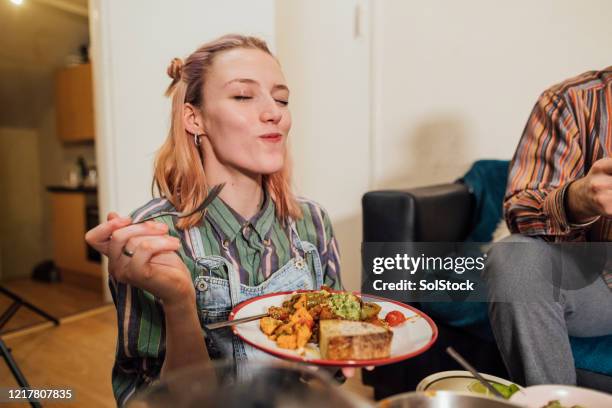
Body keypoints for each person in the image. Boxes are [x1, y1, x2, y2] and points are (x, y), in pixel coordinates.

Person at [85, 34, 344, 405]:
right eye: (243, 95)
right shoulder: (153, 238)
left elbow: (330, 367)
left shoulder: (314, 223)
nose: (275, 112)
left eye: (281, 98)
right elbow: (158, 400)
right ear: (194, 119)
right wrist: (179, 303)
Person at [484, 66, 612, 386]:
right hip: (598, 283)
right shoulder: (570, 101)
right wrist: (578, 198)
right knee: (515, 258)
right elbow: (519, 210)